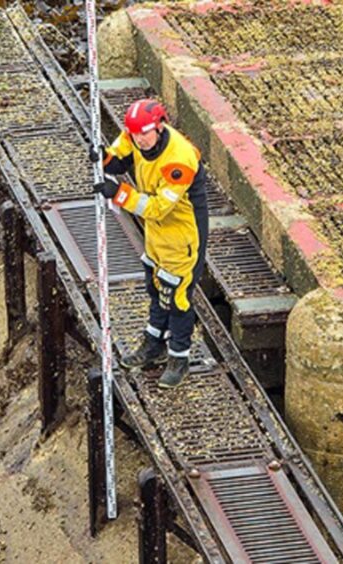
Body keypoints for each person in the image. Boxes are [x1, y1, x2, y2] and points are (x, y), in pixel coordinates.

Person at [90, 99, 208, 389]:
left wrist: (120, 194)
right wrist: (104, 158)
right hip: (156, 233)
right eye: (134, 134)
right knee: (154, 285)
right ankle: (153, 344)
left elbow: (158, 208)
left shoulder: (178, 160)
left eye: (145, 133)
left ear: (159, 126)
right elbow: (120, 154)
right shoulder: (134, 135)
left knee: (176, 294)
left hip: (182, 233)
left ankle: (178, 357)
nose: (139, 139)